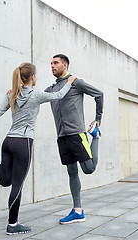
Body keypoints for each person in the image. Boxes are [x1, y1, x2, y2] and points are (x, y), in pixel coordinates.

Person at [0, 62, 76, 235]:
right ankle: (13, 224)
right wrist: (70, 81)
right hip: (23, 143)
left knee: (5, 180)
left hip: (9, 141)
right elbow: (58, 95)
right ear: (33, 77)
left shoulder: (12, 94)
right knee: (17, 186)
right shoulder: (35, 95)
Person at [45, 54, 104, 224]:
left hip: (77, 134)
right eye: (51, 63)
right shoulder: (51, 89)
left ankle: (96, 136)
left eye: (55, 63)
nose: (52, 66)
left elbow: (99, 94)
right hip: (62, 136)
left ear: (65, 65)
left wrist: (98, 119)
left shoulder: (76, 82)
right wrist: (17, 91)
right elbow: (35, 96)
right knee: (71, 172)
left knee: (89, 168)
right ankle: (78, 211)